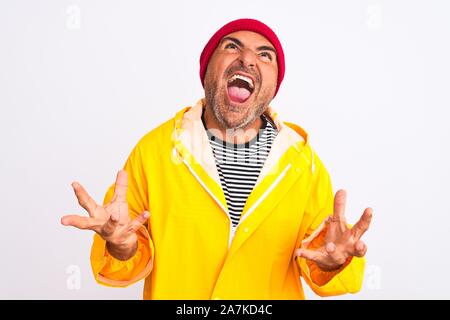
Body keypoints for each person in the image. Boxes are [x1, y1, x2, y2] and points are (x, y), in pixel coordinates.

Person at [61, 18, 373, 300]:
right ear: (207, 70)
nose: (248, 58)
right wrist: (122, 246)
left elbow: (323, 268)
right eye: (232, 46)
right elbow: (123, 258)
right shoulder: (154, 151)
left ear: (274, 85)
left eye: (265, 54)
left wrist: (336, 261)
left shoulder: (302, 164)